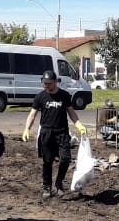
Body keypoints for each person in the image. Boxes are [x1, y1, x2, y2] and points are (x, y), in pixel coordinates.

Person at [22, 69, 87, 198]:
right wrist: (27, 129)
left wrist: (78, 124)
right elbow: (32, 114)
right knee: (47, 161)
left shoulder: (64, 95)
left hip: (62, 132)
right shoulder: (40, 96)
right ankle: (47, 187)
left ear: (55, 82)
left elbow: (71, 112)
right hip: (46, 132)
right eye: (44, 83)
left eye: (49, 83)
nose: (46, 85)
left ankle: (59, 183)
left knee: (66, 159)